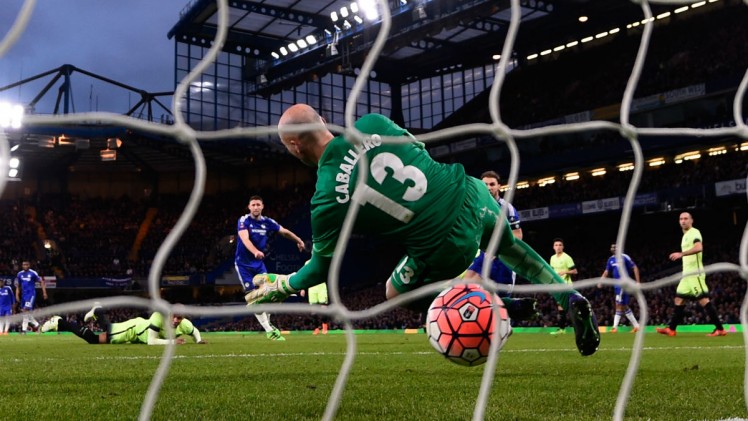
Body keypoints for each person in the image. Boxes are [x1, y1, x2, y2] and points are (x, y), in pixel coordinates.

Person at [246, 104, 600, 356]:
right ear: (323, 121)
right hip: (470, 189)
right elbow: (419, 153)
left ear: (293, 146)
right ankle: (569, 297)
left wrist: (284, 284)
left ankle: (493, 306)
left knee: (393, 292)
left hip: (444, 242)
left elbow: (322, 268)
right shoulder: (374, 122)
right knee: (509, 246)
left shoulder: (325, 197)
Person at [463, 171, 537, 321]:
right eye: (485, 184)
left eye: (492, 184)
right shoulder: (476, 205)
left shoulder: (507, 208)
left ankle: (519, 309)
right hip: (485, 254)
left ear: (499, 186)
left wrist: (500, 249)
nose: (489, 187)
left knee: (500, 299)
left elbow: (517, 234)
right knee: (467, 285)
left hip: (503, 258)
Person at [235, 195, 306, 341]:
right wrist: (255, 252)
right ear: (249, 207)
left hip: (259, 264)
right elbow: (244, 238)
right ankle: (269, 329)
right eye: (253, 205)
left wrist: (298, 240)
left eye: (258, 204)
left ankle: (268, 326)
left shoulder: (267, 222)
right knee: (253, 297)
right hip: (244, 265)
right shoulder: (244, 220)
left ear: (262, 206)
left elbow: (284, 231)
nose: (255, 207)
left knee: (267, 293)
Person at [656, 212, 726, 337]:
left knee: (703, 300)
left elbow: (699, 247)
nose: (683, 221)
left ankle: (720, 329)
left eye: (686, 219)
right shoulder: (685, 235)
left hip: (695, 274)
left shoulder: (694, 232)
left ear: (691, 221)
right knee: (679, 299)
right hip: (686, 275)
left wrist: (681, 254)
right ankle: (671, 329)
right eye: (681, 219)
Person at [40, 304, 207, 345]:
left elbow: (195, 331)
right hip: (133, 330)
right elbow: (151, 342)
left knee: (107, 328)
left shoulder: (184, 323)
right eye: (175, 317)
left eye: (180, 318)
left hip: (137, 333)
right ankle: (60, 321)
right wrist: (173, 342)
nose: (176, 321)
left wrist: (198, 341)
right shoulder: (158, 317)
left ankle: (98, 312)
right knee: (94, 340)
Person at [599, 243, 641, 333]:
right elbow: (606, 271)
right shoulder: (610, 259)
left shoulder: (625, 257)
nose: (613, 248)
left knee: (618, 303)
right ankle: (637, 326)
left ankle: (614, 327)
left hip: (624, 283)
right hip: (616, 285)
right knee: (624, 306)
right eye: (612, 247)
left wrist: (637, 282)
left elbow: (635, 267)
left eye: (615, 247)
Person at [548, 238, 577, 335]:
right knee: (561, 307)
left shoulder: (567, 257)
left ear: (563, 247)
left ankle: (570, 328)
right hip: (557, 286)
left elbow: (575, 271)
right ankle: (562, 329)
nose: (558, 247)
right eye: (556, 245)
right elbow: (552, 272)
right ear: (553, 247)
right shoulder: (552, 258)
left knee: (567, 307)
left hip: (567, 285)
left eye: (560, 245)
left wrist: (565, 271)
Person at [15, 260, 47, 333]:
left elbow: (41, 281)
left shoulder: (33, 273)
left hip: (31, 294)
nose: (25, 266)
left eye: (26, 265)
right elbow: (18, 285)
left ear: (29, 265)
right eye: (24, 265)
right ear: (22, 266)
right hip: (23, 295)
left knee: (25, 311)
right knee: (25, 312)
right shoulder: (19, 274)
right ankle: (37, 325)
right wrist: (17, 295)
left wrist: (44, 292)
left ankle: (23, 330)